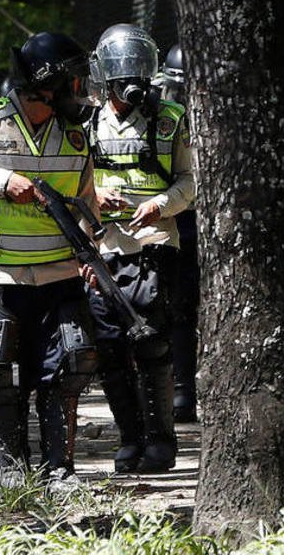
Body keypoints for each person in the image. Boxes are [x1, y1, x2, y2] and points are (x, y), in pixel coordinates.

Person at [0, 32, 99, 484]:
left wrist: (93, 255)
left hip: (61, 275)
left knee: (68, 367)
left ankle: (61, 469)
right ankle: (9, 468)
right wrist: (1, 181)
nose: (82, 89)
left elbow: (86, 204)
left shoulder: (75, 135)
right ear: (46, 83)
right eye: (75, 81)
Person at [87, 24, 195, 473]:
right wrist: (93, 200)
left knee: (153, 347)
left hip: (155, 247)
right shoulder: (87, 125)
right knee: (110, 350)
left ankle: (160, 442)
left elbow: (190, 181)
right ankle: (129, 439)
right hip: (103, 252)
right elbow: (72, 183)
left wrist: (159, 204)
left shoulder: (170, 118)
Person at [152, 44, 199, 424]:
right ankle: (181, 390)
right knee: (177, 309)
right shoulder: (160, 115)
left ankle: (190, 388)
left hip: (208, 218)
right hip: (174, 215)